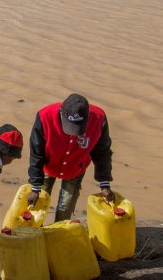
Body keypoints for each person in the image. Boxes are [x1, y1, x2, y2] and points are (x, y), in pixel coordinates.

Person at [26, 93, 115, 222]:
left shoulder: (99, 120)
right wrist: (35, 186)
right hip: (48, 165)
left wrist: (105, 184)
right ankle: (36, 231)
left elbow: (102, 152)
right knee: (39, 203)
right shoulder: (44, 117)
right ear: (62, 113)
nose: (73, 133)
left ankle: (58, 232)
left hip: (75, 167)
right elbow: (36, 152)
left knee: (65, 206)